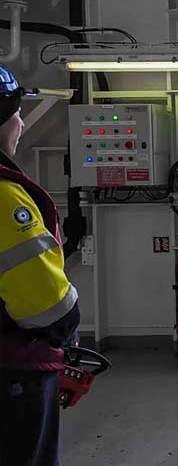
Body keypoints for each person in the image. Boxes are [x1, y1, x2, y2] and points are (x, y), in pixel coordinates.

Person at [0, 63, 80, 466]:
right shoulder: (4, 198)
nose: (21, 124)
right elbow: (47, 304)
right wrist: (66, 334)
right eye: (16, 114)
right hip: (13, 366)